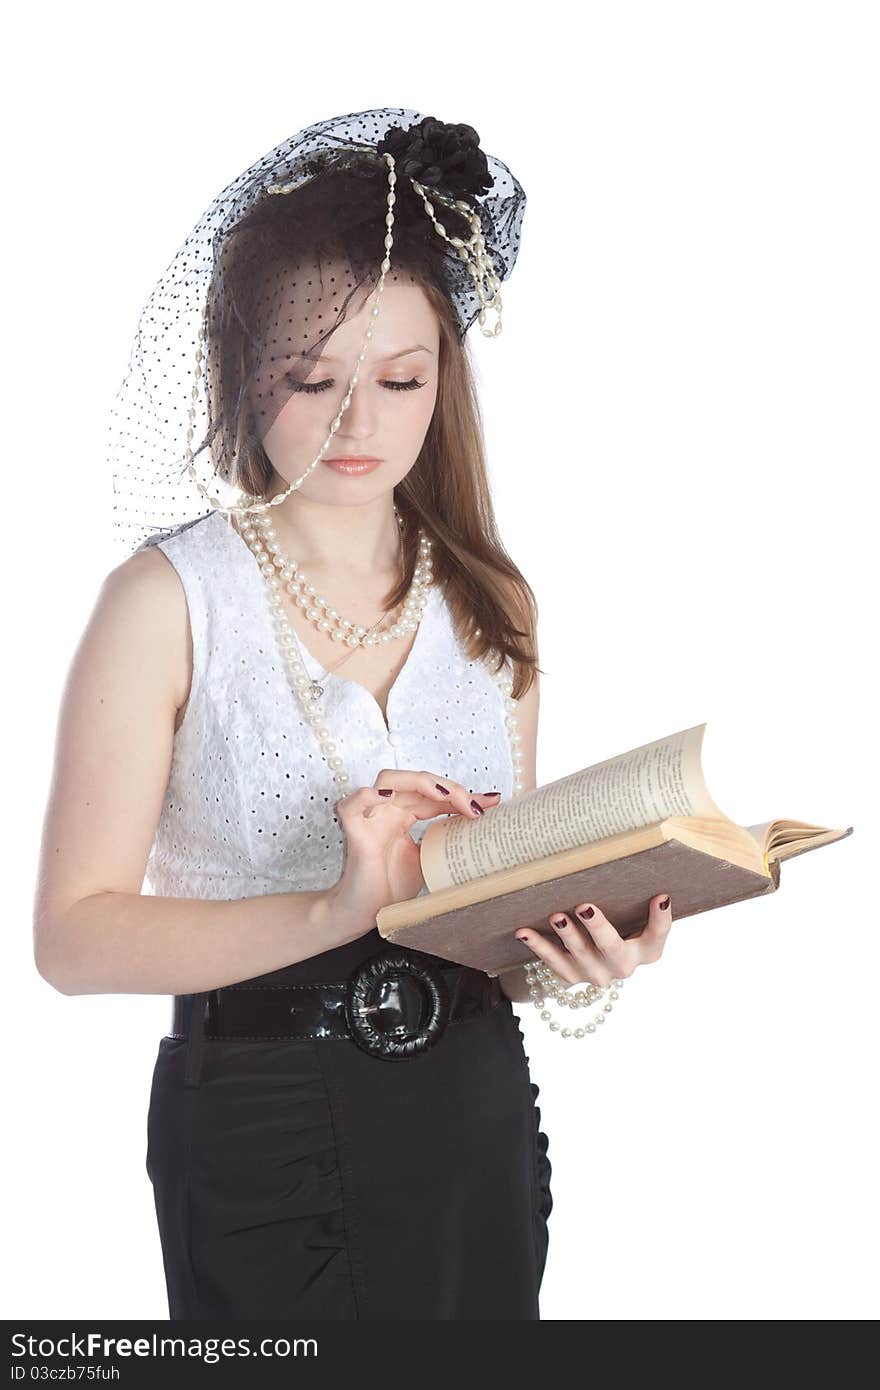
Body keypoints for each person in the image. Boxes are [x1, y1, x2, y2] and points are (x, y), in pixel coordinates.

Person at [32, 109, 672, 1320]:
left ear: (446, 375)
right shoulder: (168, 601)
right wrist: (338, 906)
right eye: (308, 378)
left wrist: (586, 951)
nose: (356, 424)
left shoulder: (494, 603)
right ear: (239, 371)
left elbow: (487, 917)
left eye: (399, 379)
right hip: (261, 1114)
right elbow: (74, 940)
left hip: (474, 1105)